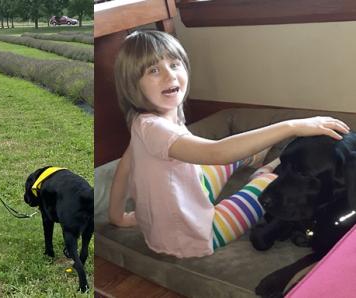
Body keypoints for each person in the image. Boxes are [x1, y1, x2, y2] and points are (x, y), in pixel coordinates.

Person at [108, 30, 350, 258]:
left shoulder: (142, 122)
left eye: (174, 64)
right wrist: (292, 126)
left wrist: (117, 215)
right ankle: (263, 172)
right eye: (153, 70)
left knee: (237, 152)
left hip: (180, 203)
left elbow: (124, 170)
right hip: (194, 236)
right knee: (267, 183)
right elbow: (216, 153)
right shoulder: (156, 129)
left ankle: (253, 156)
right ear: (133, 85)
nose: (170, 75)